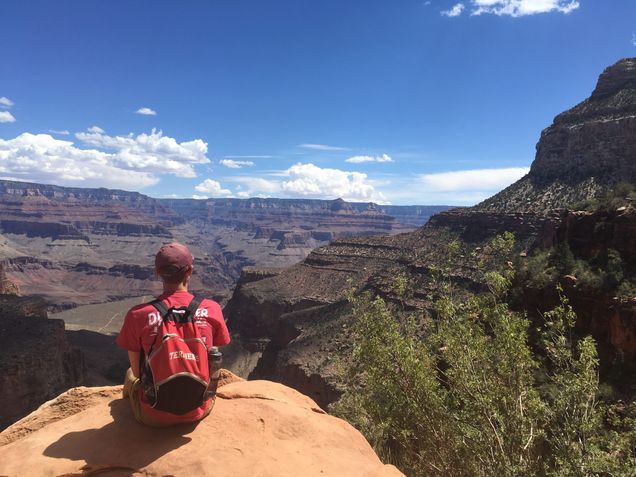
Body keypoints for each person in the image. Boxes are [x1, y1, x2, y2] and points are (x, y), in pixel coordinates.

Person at [116, 242, 230, 426]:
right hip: (199, 409)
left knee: (130, 373)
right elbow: (215, 350)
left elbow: (138, 372)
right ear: (189, 271)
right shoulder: (212, 308)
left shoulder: (137, 315)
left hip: (153, 415)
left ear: (157, 273)